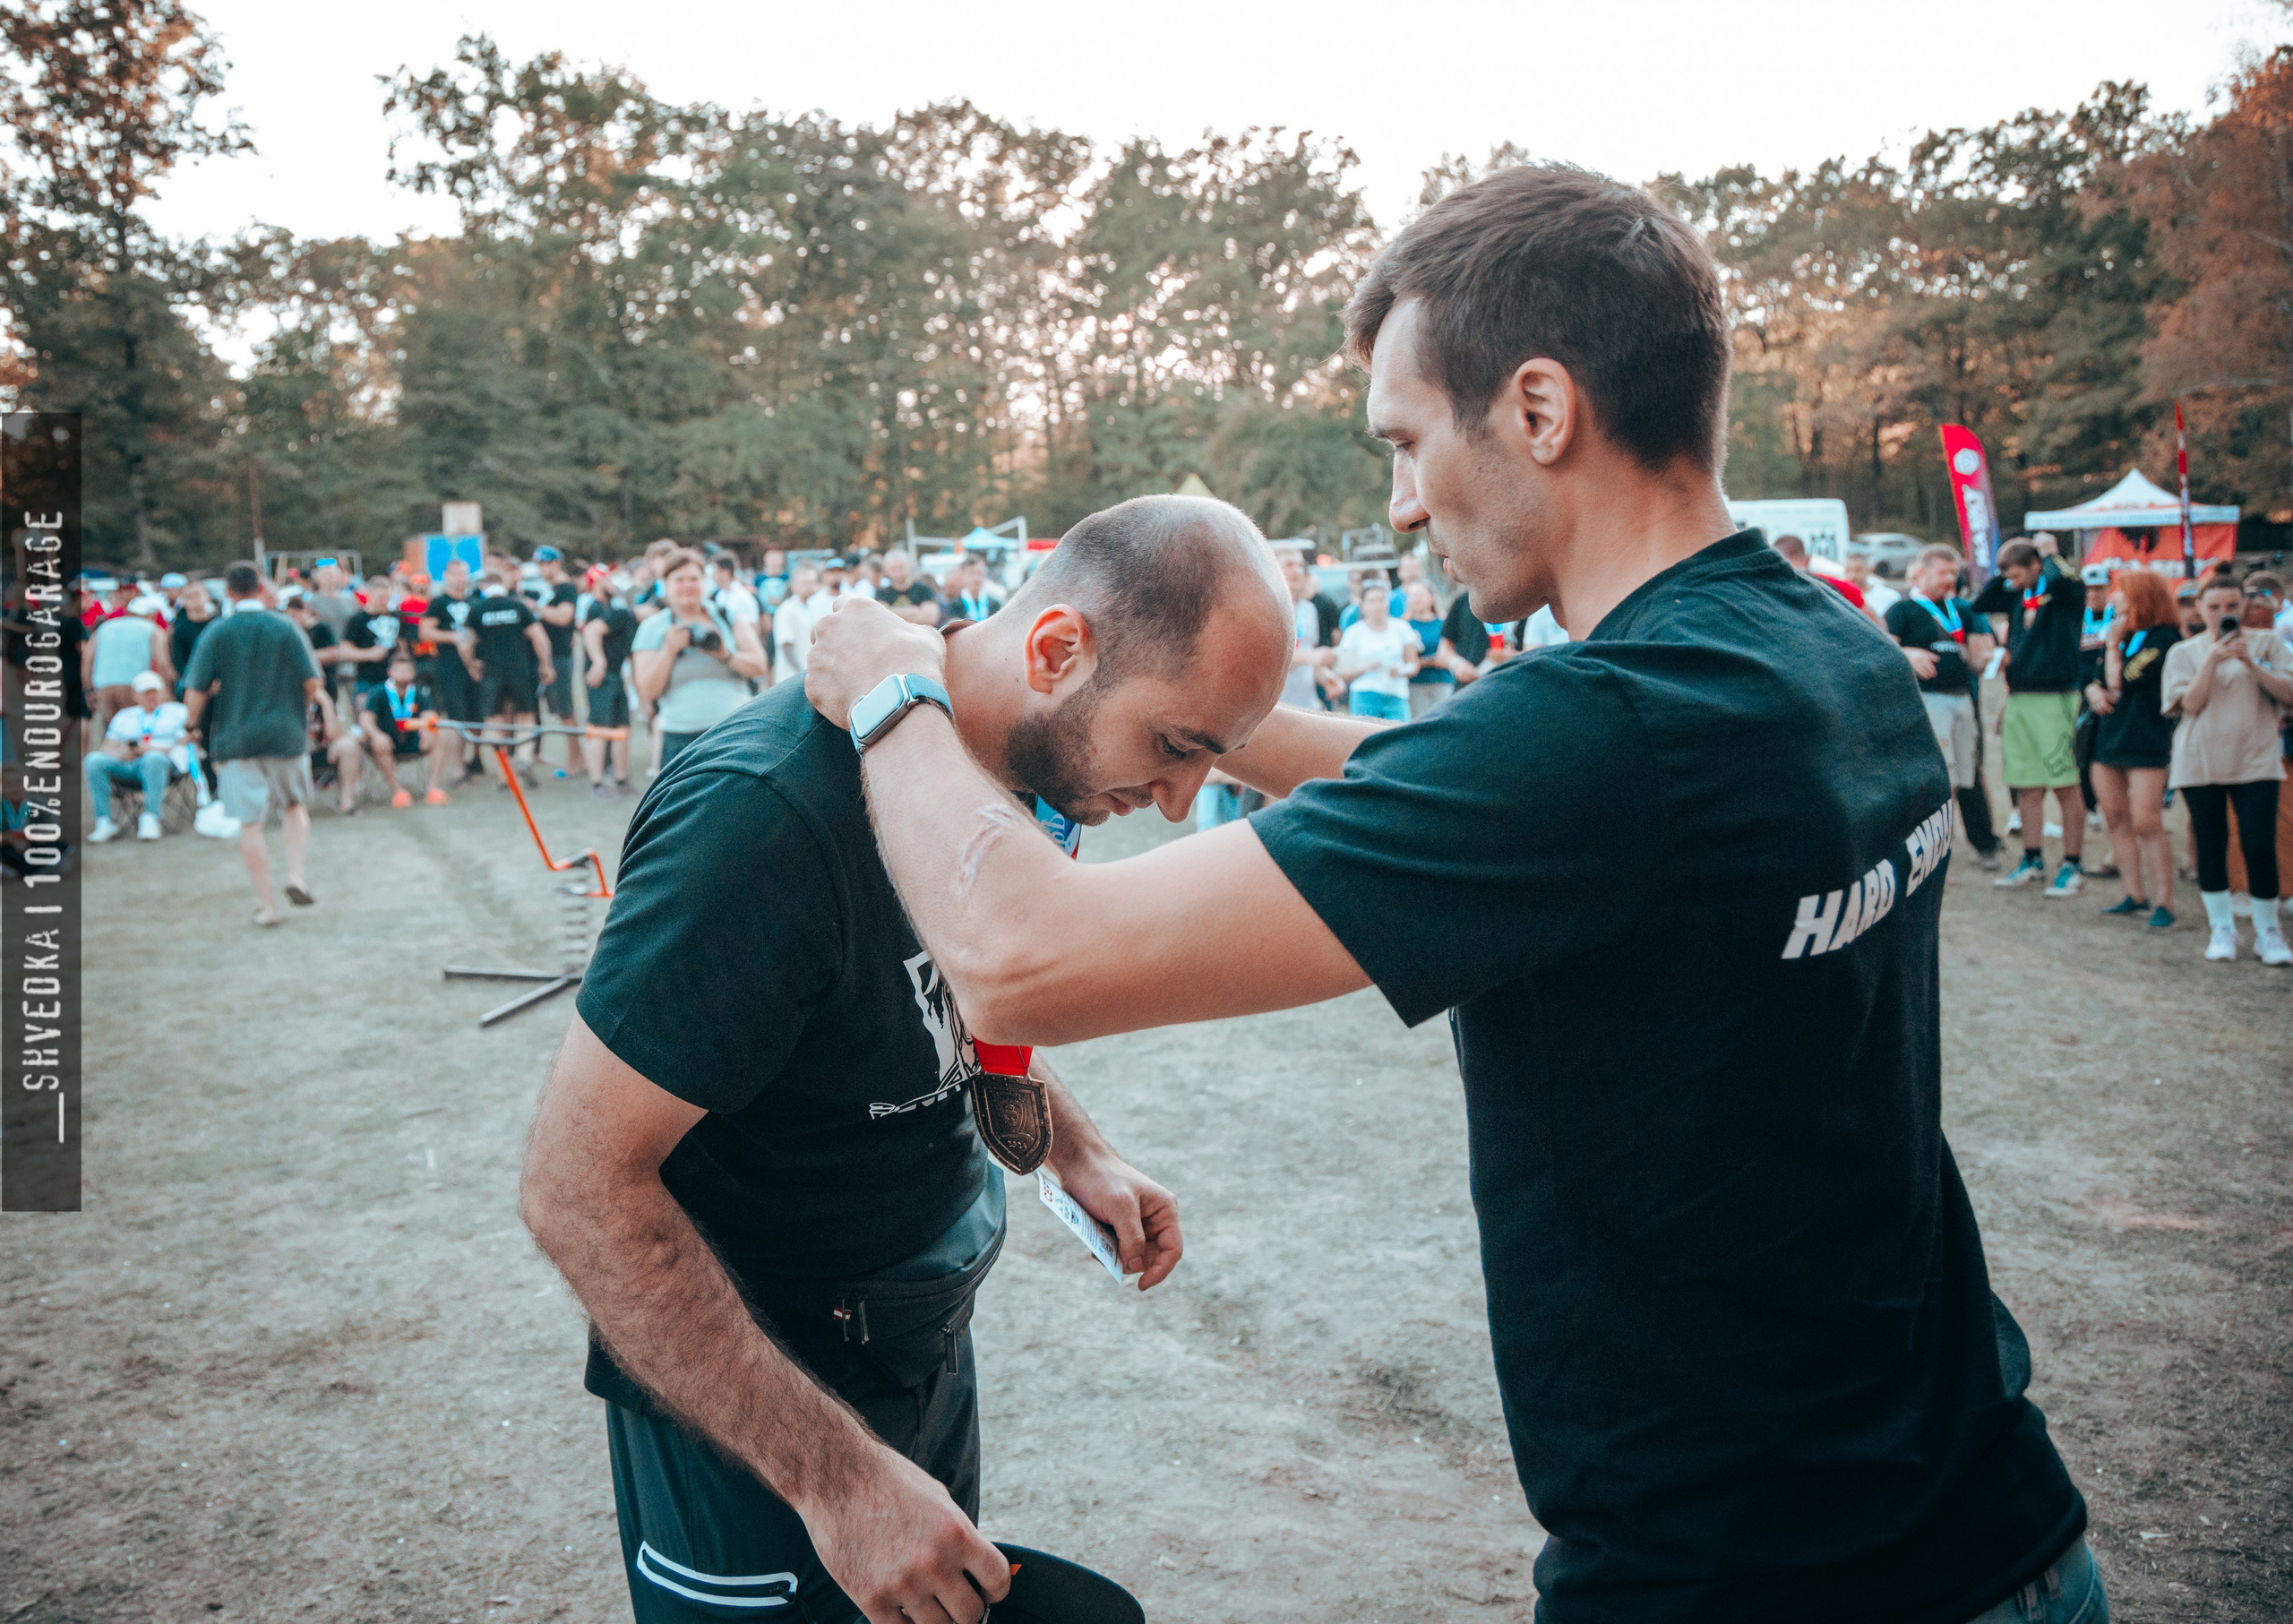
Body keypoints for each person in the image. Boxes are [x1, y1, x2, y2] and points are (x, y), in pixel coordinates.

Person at [805, 163, 2100, 1624]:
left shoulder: (1604, 735)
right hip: (1999, 1524)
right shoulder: (1817, 655)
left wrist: (891, 688)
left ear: (1541, 412)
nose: (1405, 501)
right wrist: (1187, 721)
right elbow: (1461, 769)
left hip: (1766, 1572)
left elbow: (1023, 958)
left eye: (1409, 441)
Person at [517, 495, 1259, 1624]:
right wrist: (839, 1480)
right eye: (1173, 747)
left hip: (916, 1347)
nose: (1175, 802)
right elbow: (575, 1186)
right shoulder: (762, 814)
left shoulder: (1015, 777)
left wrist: (1078, 1152)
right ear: (1058, 652)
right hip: (754, 1401)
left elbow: (945, 997)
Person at [2160, 573, 2293, 965]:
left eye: (2231, 606)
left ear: (2244, 607)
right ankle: (2222, 928)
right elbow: (2190, 705)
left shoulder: (2269, 644)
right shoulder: (2184, 652)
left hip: (2257, 758)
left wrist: (2251, 663)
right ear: (2200, 609)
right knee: (2211, 844)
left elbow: (2289, 694)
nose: (2223, 614)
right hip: (2201, 760)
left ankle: (2269, 932)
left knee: (2258, 843)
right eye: (2214, 607)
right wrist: (2213, 659)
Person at [183, 562, 323, 927]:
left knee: (250, 823)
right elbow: (312, 682)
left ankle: (268, 906)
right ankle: (295, 875)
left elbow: (196, 688)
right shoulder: (285, 627)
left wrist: (189, 725)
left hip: (236, 736)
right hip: (285, 734)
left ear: (228, 591)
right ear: (261, 587)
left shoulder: (217, 632)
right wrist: (303, 713)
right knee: (294, 807)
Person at [1971, 535, 2089, 895]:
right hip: (2020, 696)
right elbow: (1982, 601)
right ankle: (2032, 859)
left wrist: (2050, 555)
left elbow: (2065, 581)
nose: (2011, 582)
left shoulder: (2063, 591)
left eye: (2017, 574)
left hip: (2056, 697)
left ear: (2037, 565)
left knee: (2064, 782)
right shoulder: (2016, 594)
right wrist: (2003, 572)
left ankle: (2072, 864)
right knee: (2026, 787)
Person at [1885, 545, 1999, 868]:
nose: (1950, 579)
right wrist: (1908, 654)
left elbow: (1982, 651)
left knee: (1969, 776)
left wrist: (1983, 656)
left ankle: (1984, 843)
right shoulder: (1903, 610)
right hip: (1928, 702)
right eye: (1943, 572)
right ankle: (1932, 853)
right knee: (1938, 778)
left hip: (1963, 699)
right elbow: (1885, 650)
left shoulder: (1964, 608)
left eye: (1954, 573)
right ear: (1921, 572)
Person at [2087, 568, 2180, 930]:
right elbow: (2098, 681)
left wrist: (2111, 648)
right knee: (2114, 817)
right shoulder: (2126, 634)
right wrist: (2092, 690)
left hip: (2145, 739)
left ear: (2141, 595)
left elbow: (2121, 680)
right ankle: (2133, 893)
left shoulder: (2164, 638)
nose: (2114, 597)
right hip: (2108, 737)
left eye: (2121, 591)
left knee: (2146, 821)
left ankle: (2164, 902)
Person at [631, 547, 768, 768]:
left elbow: (759, 666)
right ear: (665, 585)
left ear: (704, 582)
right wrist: (669, 650)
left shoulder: (726, 616)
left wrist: (725, 654)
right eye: (679, 579)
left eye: (694, 578)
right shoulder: (653, 628)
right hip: (681, 738)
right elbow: (647, 690)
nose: (687, 586)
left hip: (733, 732)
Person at [467, 572, 555, 787]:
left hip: (492, 673)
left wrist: (472, 663)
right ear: (504, 585)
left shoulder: (477, 609)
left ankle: (503, 775)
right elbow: (539, 638)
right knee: (526, 718)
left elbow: (464, 642)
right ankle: (525, 758)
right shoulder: (518, 606)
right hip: (519, 671)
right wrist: (545, 664)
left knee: (494, 723)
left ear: (483, 586)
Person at [84, 671, 190, 842]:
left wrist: (149, 748)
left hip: (162, 765)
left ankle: (151, 818)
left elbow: (186, 743)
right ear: (135, 695)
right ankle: (104, 821)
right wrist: (121, 753)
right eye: (146, 693)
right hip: (128, 764)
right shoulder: (125, 717)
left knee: (153, 758)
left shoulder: (176, 712)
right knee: (93, 760)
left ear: (163, 692)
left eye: (155, 692)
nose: (151, 697)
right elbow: (108, 746)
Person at [352, 649, 451, 808]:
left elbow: (430, 715)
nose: (404, 674)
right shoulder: (378, 693)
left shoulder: (419, 692)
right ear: (390, 672)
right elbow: (366, 719)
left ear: (414, 672)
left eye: (408, 670)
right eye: (399, 670)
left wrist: (426, 727)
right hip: (387, 742)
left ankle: (433, 789)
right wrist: (377, 735)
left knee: (442, 734)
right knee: (380, 744)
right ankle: (398, 791)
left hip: (413, 740)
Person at [421, 559, 484, 782]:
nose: (460, 577)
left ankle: (476, 759)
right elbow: (426, 631)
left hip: (476, 665)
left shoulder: (477, 601)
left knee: (477, 715)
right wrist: (452, 637)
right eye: (456, 573)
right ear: (446, 575)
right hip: (449, 666)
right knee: (457, 717)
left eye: (464, 573)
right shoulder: (439, 603)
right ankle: (458, 768)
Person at [85, 582, 173, 733]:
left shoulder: (105, 628)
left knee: (112, 734)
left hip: (103, 686)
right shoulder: (153, 629)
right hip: (136, 687)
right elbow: (163, 662)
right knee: (135, 733)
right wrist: (167, 691)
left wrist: (88, 690)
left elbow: (87, 661)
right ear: (149, 615)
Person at [1332, 571, 1419, 718]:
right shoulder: (1354, 632)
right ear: (1363, 605)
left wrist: (1401, 671)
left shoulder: (1401, 628)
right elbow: (1343, 671)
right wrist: (1366, 667)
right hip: (1365, 696)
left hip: (1396, 695)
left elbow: (1413, 664)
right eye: (1372, 601)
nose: (1378, 605)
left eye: (1381, 600)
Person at [582, 581, 641, 796]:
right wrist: (599, 662)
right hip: (603, 678)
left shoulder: (630, 620)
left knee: (621, 729)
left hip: (616, 677)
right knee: (598, 728)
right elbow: (591, 630)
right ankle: (597, 783)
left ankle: (620, 779)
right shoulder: (621, 614)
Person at [1275, 545, 1342, 709]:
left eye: (1299, 565)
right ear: (1274, 569)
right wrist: (1312, 656)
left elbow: (1309, 657)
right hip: (1277, 708)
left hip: (1307, 706)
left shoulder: (1309, 609)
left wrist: (1327, 677)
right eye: (1289, 565)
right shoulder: (1267, 610)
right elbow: (1272, 660)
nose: (1297, 571)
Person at [533, 547, 583, 755]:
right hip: (551, 655)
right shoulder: (550, 589)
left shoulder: (565, 589)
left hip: (560, 656)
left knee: (565, 710)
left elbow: (564, 617)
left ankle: (576, 760)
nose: (540, 570)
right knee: (557, 710)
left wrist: (534, 608)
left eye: (542, 564)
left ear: (554, 563)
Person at [1401, 580, 1464, 716]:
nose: (1416, 599)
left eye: (1420, 595)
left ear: (1432, 597)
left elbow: (1453, 651)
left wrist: (1422, 662)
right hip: (1415, 684)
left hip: (1442, 682)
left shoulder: (1444, 623)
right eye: (1412, 595)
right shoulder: (1404, 626)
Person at [772, 564, 822, 685]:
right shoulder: (787, 610)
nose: (810, 587)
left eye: (812, 582)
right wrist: (802, 672)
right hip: (792, 679)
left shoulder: (814, 607)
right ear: (794, 586)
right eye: (805, 583)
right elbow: (786, 645)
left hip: (810, 679)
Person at [167, 581, 218, 700]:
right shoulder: (180, 630)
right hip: (193, 687)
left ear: (207, 596)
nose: (195, 600)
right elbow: (179, 664)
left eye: (197, 595)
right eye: (190, 596)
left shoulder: (218, 624)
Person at [877, 550, 943, 626]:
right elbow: (881, 618)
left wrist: (892, 612)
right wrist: (914, 610)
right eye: (893, 569)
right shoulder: (882, 593)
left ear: (908, 566)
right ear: (886, 570)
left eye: (900, 567)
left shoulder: (925, 590)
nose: (897, 572)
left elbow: (930, 618)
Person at [947, 554, 1002, 623]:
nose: (976, 578)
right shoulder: (955, 606)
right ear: (963, 575)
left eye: (980, 573)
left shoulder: (995, 604)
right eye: (971, 573)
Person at [1843, 552, 1901, 617]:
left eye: (1858, 570)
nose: (1852, 576)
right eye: (1848, 570)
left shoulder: (1889, 597)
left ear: (1869, 570)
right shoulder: (1839, 599)